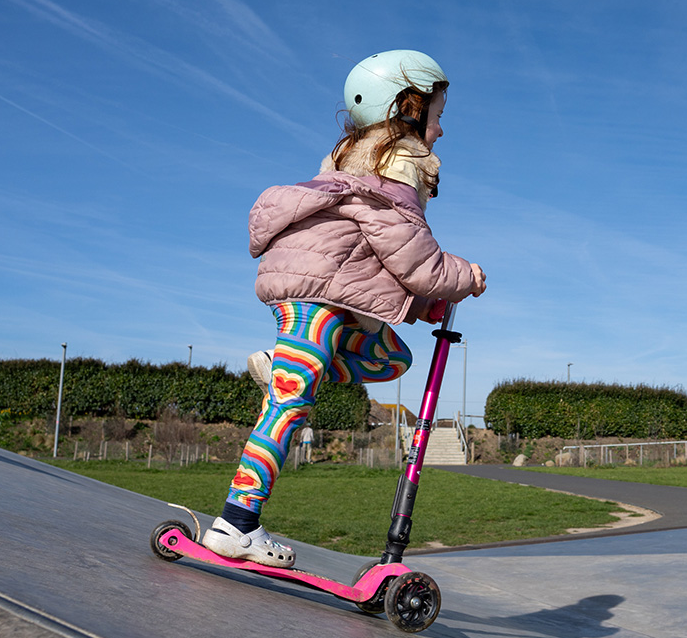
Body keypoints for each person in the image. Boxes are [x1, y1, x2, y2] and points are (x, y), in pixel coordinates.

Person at [203, 50, 486, 568]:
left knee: (388, 359)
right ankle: (236, 524)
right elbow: (418, 259)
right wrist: (466, 276)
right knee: (290, 404)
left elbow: (379, 258)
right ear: (409, 109)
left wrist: (421, 304)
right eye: (438, 117)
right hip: (320, 299)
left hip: (323, 294)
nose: (442, 132)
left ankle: (282, 366)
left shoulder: (354, 169)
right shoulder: (391, 174)